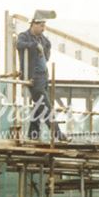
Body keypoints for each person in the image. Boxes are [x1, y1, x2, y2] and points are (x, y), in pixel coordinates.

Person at [16, 11, 65, 141]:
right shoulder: (24, 36)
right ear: (34, 24)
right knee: (45, 106)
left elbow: (46, 56)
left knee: (38, 106)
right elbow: (19, 44)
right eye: (41, 26)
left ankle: (33, 134)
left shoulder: (44, 40)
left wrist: (43, 48)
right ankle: (58, 134)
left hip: (43, 77)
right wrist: (34, 46)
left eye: (44, 26)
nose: (43, 29)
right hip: (32, 77)